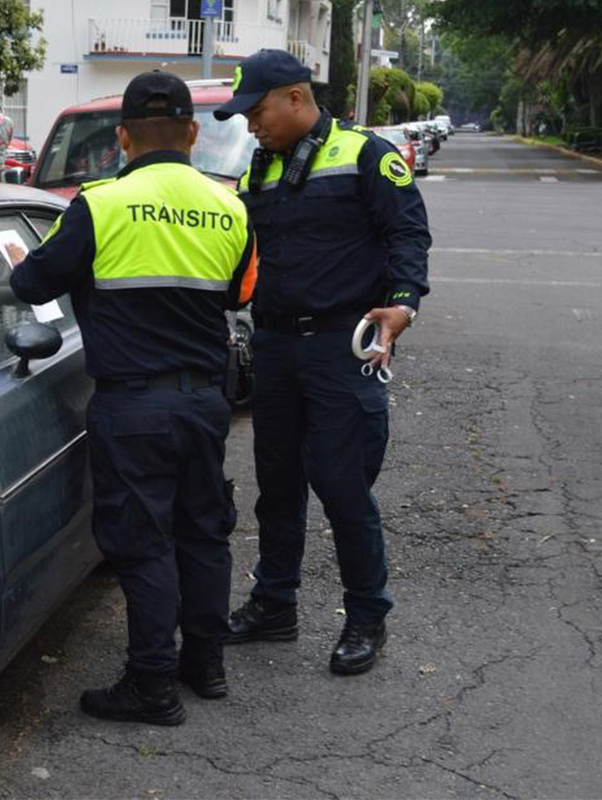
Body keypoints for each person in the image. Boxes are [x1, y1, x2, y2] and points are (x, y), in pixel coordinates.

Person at [10, 71, 258, 725]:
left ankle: (152, 686)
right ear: (194, 134)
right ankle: (204, 666)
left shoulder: (100, 205)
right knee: (204, 535)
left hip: (134, 405)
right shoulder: (231, 209)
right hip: (206, 403)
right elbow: (238, 296)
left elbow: (31, 283)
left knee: (144, 544)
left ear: (122, 137)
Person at [213, 49, 431, 674]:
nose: (250, 126)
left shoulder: (365, 154)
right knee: (277, 489)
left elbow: (407, 234)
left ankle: (367, 617)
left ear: (294, 98)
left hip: (342, 345)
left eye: (255, 113)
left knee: (343, 489)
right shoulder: (261, 169)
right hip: (277, 346)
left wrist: (402, 305)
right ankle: (275, 604)